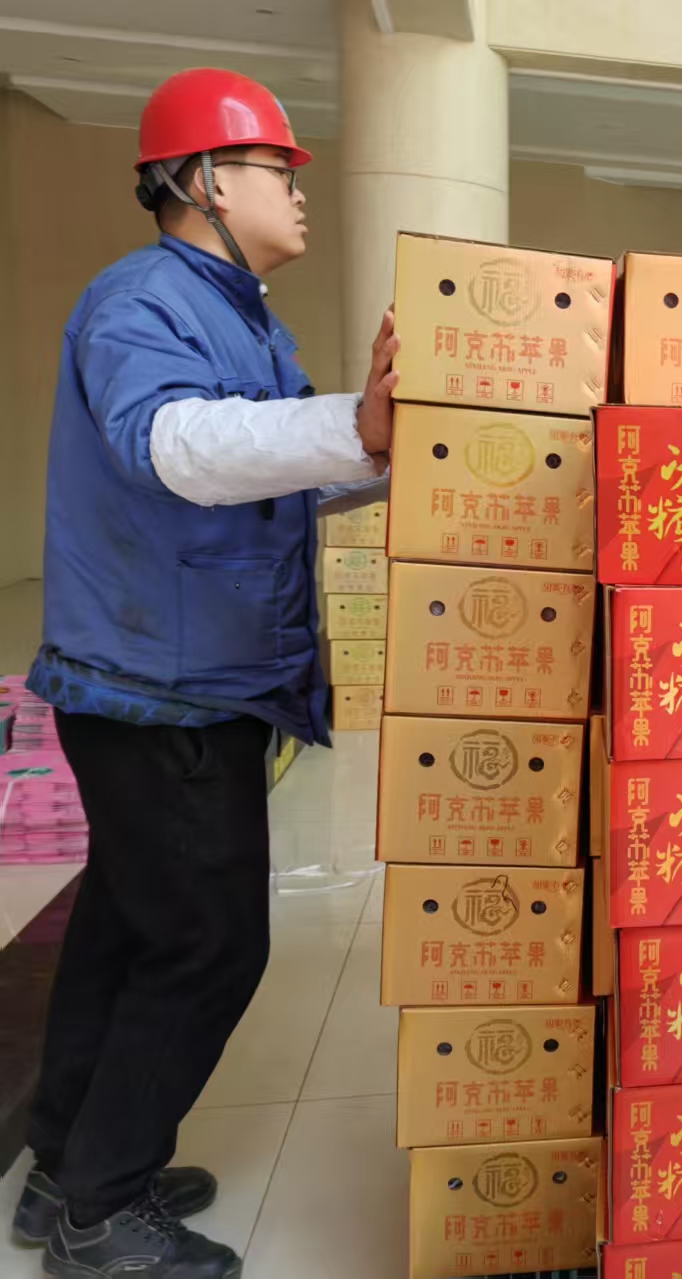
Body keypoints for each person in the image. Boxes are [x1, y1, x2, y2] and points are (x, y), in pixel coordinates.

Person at [13, 68, 397, 1279]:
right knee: (207, 946)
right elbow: (174, 444)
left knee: (124, 928)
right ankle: (99, 1213)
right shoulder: (143, 300)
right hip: (162, 685)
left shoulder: (237, 314)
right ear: (206, 180)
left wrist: (392, 445)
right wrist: (353, 422)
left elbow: (262, 471)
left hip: (181, 671)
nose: (297, 191)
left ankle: (64, 1163)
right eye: (279, 170)